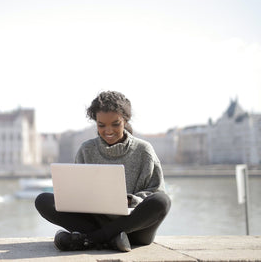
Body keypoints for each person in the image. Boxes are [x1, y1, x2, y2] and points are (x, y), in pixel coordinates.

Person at [35, 90, 171, 252]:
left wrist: (129, 200)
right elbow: (77, 190)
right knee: (43, 200)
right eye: (101, 125)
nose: (108, 130)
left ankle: (90, 239)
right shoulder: (86, 149)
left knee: (162, 201)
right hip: (95, 221)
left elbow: (156, 191)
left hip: (134, 228)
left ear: (125, 120)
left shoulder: (144, 150)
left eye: (115, 124)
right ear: (96, 123)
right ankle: (110, 240)